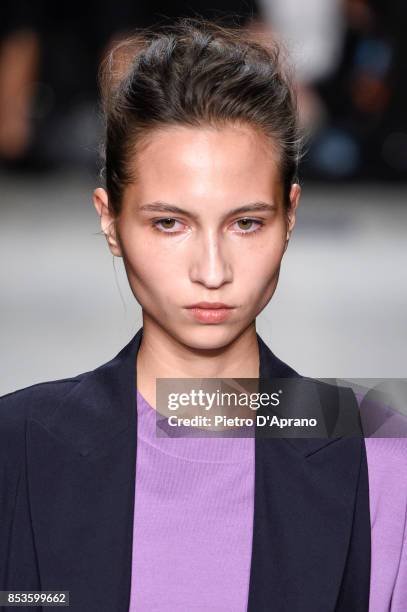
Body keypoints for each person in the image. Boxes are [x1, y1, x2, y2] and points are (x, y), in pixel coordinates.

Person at [0, 16, 406, 612]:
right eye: (170, 222)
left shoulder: (378, 447)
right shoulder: (19, 444)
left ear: (289, 216)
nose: (211, 270)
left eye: (246, 222)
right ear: (110, 219)